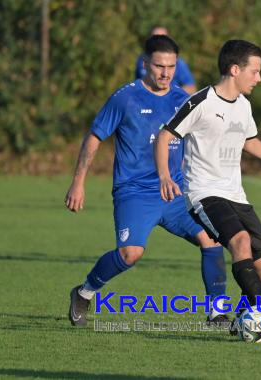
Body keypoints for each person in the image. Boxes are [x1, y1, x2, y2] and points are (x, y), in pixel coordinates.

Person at [66, 35, 227, 327]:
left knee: (213, 239)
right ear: (145, 64)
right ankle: (84, 292)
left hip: (176, 195)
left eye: (171, 66)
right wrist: (78, 183)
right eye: (159, 66)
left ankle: (217, 312)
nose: (165, 73)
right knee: (130, 254)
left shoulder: (183, 100)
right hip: (135, 193)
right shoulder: (124, 98)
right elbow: (94, 138)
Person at [155, 40, 261, 326]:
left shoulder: (244, 106)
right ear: (235, 69)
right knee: (240, 242)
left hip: (236, 194)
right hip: (204, 193)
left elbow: (250, 142)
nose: (259, 78)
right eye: (255, 71)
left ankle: (244, 315)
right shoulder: (201, 102)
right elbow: (165, 136)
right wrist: (165, 175)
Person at [135, 25, 197, 94]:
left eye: (163, 38)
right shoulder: (141, 60)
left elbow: (191, 88)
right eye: (155, 38)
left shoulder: (179, 63)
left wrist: (169, 98)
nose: (159, 42)